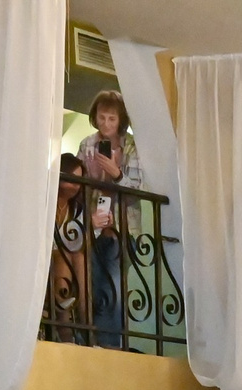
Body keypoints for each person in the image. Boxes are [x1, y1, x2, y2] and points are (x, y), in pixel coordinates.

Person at [75, 91, 145, 349]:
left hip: (124, 226)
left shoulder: (133, 147)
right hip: (94, 224)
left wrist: (116, 173)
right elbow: (77, 186)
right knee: (92, 284)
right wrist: (93, 177)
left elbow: (136, 192)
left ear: (121, 120)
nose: (105, 124)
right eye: (101, 117)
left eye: (112, 118)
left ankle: (111, 346)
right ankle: (91, 341)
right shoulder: (87, 144)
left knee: (113, 287)